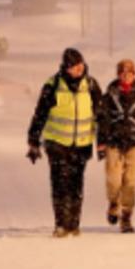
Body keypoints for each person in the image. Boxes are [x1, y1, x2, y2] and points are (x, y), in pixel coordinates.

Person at [26, 47, 103, 237]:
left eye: (80, 65)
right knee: (60, 183)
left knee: (76, 184)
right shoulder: (53, 85)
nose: (79, 69)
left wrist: (102, 142)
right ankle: (61, 224)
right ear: (66, 67)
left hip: (82, 143)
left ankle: (74, 224)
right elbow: (40, 114)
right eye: (74, 66)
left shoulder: (91, 85)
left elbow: (101, 117)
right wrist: (33, 141)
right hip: (57, 143)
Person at [96, 58, 135, 233]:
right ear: (118, 74)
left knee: (130, 182)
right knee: (113, 180)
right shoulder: (109, 96)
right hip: (114, 143)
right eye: (123, 73)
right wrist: (100, 144)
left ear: (134, 74)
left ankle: (127, 216)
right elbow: (102, 121)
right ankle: (114, 203)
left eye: (129, 73)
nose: (126, 76)